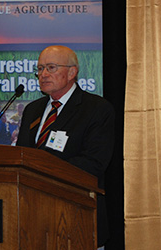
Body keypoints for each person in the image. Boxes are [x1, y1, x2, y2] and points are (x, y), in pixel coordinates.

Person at [16, 45, 115, 248]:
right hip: (34, 217)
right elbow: (22, 156)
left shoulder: (96, 109)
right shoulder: (32, 110)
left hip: (77, 216)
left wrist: (43, 174)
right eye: (40, 68)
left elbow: (94, 163)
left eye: (51, 67)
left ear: (72, 72)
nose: (43, 74)